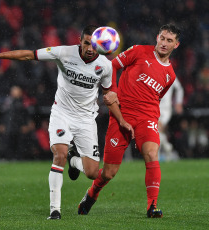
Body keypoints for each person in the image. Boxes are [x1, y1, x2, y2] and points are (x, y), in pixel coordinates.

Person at [0, 25, 134, 220]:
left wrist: (122, 121)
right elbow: (29, 55)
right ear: (80, 41)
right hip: (62, 114)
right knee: (59, 155)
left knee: (92, 173)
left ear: (100, 45)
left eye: (93, 45)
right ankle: (54, 210)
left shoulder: (106, 66)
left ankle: (74, 161)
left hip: (85, 120)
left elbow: (109, 97)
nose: (90, 49)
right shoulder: (64, 52)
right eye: (86, 43)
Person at [77, 23, 181, 218]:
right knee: (108, 173)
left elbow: (156, 97)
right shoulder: (139, 51)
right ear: (156, 37)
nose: (164, 43)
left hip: (147, 117)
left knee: (151, 153)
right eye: (162, 38)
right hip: (121, 114)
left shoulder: (170, 75)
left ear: (176, 45)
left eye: (169, 41)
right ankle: (92, 193)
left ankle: (152, 206)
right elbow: (112, 66)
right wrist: (113, 92)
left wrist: (151, 116)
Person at [158, 77, 184, 160]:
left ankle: (157, 155)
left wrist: (178, 103)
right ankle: (167, 146)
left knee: (157, 129)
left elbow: (179, 89)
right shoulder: (153, 73)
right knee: (155, 130)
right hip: (154, 107)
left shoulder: (170, 75)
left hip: (165, 109)